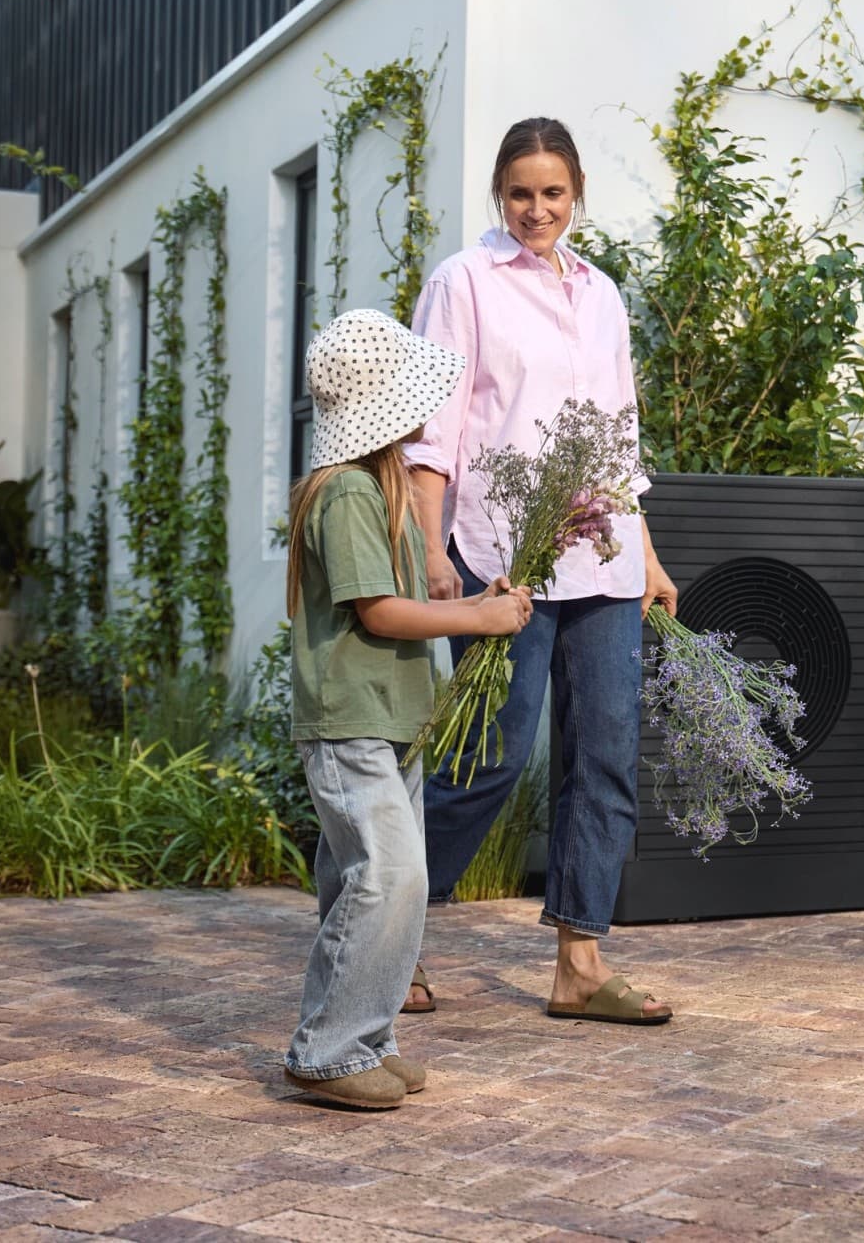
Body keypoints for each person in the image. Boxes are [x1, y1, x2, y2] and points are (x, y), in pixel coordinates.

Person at [401, 117, 678, 1025]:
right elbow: (432, 434)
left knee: (606, 757)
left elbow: (620, 438)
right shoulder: (463, 283)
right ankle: (383, 931)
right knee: (490, 756)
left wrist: (648, 557)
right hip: (500, 558)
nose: (536, 209)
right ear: (500, 193)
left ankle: (580, 964)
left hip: (605, 559)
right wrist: (432, 553)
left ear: (576, 194)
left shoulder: (602, 294)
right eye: (520, 193)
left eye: (553, 193)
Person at [283, 308, 533, 1110]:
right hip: (352, 721)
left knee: (366, 881)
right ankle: (328, 1051)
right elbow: (380, 613)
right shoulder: (348, 492)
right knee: (391, 876)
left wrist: (476, 603)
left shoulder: (378, 486)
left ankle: (363, 1038)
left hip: (393, 720)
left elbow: (401, 601)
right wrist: (478, 620)